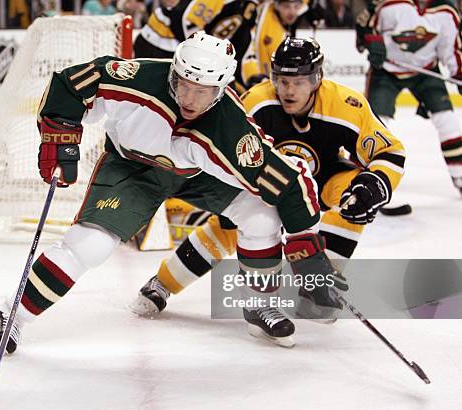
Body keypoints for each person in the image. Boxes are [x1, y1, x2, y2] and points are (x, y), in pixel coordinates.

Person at [0, 32, 336, 352]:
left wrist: (306, 243)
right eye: (183, 84)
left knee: (261, 217)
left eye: (203, 90)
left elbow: (288, 178)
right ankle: (12, 315)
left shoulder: (230, 127)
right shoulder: (138, 79)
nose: (190, 98)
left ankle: (259, 303)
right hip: (133, 169)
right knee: (90, 245)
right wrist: (60, 136)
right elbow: (72, 84)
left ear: (222, 88)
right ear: (173, 73)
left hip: (196, 175)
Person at [130, 37, 406, 330]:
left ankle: (318, 287)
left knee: (356, 199)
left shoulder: (346, 106)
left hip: (322, 182)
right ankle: (163, 283)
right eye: (282, 80)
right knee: (232, 225)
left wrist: (375, 184)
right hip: (260, 185)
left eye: (298, 82)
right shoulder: (256, 102)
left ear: (317, 78)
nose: (288, 90)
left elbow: (389, 152)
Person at [356, 0, 462, 195]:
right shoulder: (388, 5)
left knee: (448, 121)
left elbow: (451, 50)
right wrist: (371, 41)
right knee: (377, 125)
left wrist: (459, 72)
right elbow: (365, 28)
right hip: (387, 70)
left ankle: (460, 174)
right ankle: (368, 180)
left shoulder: (447, 11)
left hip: (425, 70)